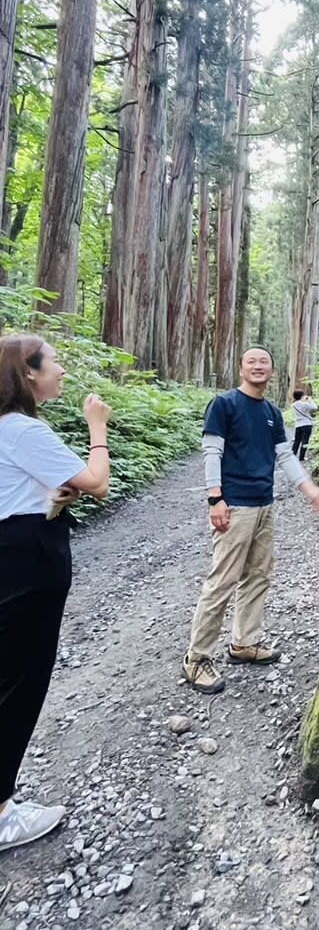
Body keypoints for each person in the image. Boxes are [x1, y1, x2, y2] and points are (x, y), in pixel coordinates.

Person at [0, 334, 111, 852]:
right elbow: (98, 481)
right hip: (26, 563)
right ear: (28, 374)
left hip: (15, 548)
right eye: (55, 363)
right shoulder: (21, 429)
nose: (62, 370)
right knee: (19, 681)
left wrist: (52, 496)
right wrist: (97, 427)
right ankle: (1, 813)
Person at [182, 347, 319, 695]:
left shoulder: (271, 412)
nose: (258, 366)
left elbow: (283, 455)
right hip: (234, 505)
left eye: (264, 361)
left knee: (258, 576)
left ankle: (244, 642)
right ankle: (196, 658)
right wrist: (215, 498)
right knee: (222, 581)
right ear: (241, 368)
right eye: (252, 361)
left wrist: (308, 488)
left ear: (273, 371)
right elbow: (212, 452)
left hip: (265, 504)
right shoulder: (224, 405)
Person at [291, 388, 317, 461]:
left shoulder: (294, 405)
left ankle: (292, 456)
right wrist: (310, 401)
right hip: (307, 424)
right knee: (305, 441)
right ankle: (301, 457)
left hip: (298, 425)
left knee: (297, 441)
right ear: (302, 396)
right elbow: (315, 407)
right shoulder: (305, 404)